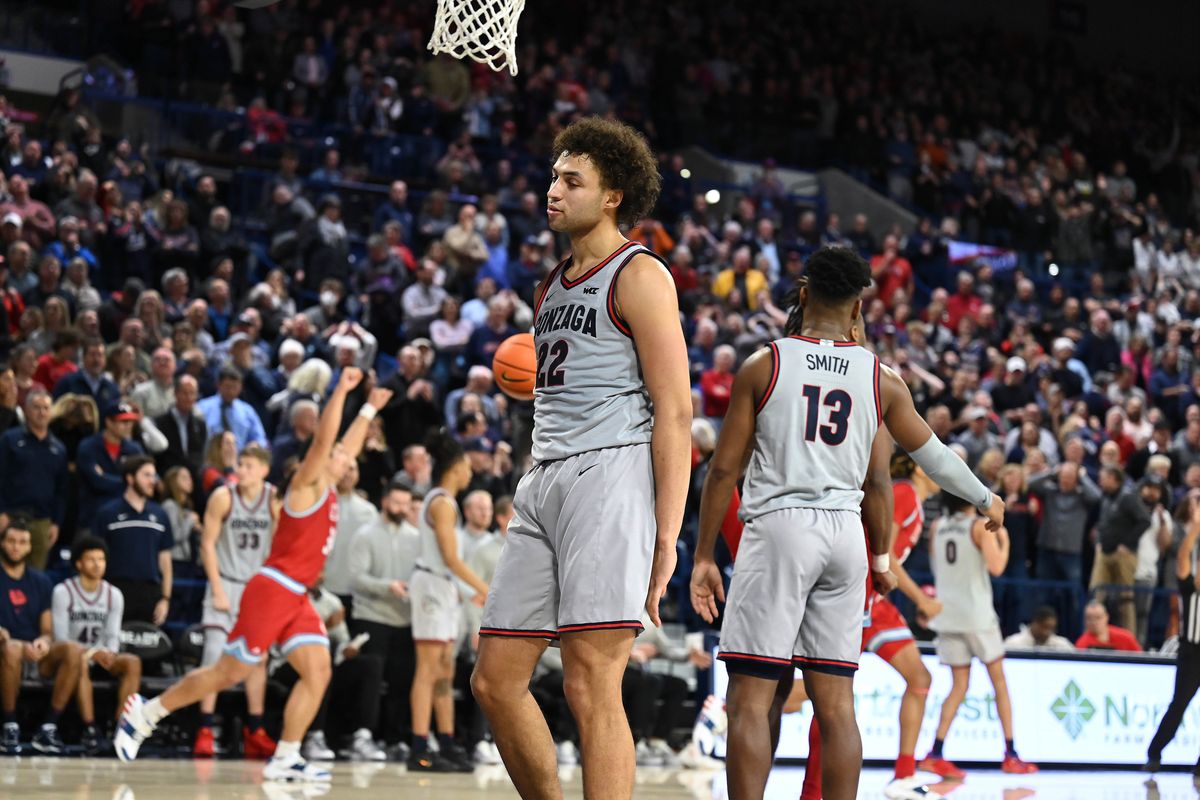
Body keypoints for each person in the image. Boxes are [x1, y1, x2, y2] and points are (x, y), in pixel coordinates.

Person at [689, 246, 1004, 800]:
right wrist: (985, 497)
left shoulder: (765, 363)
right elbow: (923, 462)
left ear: (804, 293)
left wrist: (704, 556)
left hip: (781, 529)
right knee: (836, 704)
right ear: (860, 305)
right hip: (845, 538)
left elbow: (722, 472)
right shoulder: (881, 377)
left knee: (751, 699)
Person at [471, 117, 692, 800]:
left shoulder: (640, 273)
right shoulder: (551, 285)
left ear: (613, 195)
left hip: (611, 475)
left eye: (573, 181)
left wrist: (665, 532)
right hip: (544, 478)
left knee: (592, 681)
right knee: (495, 678)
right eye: (554, 177)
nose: (553, 190)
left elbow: (676, 411)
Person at [115, 368, 393, 784]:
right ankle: (146, 713)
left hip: (296, 596)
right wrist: (343, 390)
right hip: (273, 588)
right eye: (335, 454)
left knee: (318, 671)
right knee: (229, 672)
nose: (343, 455)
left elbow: (346, 445)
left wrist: (370, 408)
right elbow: (325, 441)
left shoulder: (330, 486)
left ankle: (286, 756)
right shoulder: (304, 486)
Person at [798, 448, 947, 800]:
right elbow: (887, 556)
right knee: (822, 692)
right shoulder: (905, 493)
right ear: (917, 468)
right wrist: (921, 600)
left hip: (877, 602)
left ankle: (904, 776)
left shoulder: (914, 499)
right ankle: (729, 711)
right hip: (858, 595)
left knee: (919, 678)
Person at [922, 491, 1036, 777]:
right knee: (999, 682)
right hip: (976, 616)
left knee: (958, 686)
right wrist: (1004, 541)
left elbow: (936, 565)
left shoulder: (936, 527)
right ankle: (1010, 754)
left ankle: (935, 752)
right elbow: (997, 567)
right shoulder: (977, 527)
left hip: (946, 615)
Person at [407, 433, 489, 772]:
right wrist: (485, 587)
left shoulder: (446, 502)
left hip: (443, 587)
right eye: (467, 465)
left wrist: (467, 590)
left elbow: (450, 565)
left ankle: (447, 742)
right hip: (430, 587)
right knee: (428, 670)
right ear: (455, 467)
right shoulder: (441, 503)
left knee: (445, 669)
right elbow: (451, 558)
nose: (471, 471)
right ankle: (419, 747)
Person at [193, 445, 278, 759]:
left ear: (265, 470)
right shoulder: (223, 497)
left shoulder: (273, 499)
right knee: (214, 656)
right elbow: (207, 544)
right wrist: (216, 589)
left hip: (258, 587)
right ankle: (204, 728)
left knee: (259, 660)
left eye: (250, 465)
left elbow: (282, 544)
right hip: (226, 581)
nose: (242, 469)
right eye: (240, 463)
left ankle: (255, 729)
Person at [347, 482, 420, 760]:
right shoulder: (364, 535)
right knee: (372, 678)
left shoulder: (415, 538)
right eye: (397, 503)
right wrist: (387, 586)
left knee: (401, 682)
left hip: (404, 620)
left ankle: (395, 738)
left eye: (406, 503)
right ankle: (363, 735)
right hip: (371, 617)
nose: (402, 509)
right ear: (385, 501)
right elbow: (356, 579)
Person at [0, 516, 84, 755]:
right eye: (12, 541)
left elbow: (47, 630)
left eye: (22, 542)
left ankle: (48, 728)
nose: (16, 546)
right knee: (12, 648)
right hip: (5, 651)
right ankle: (9, 725)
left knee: (73, 650)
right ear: (3, 543)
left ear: (29, 547)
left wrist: (44, 642)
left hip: (33, 654)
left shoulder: (41, 581)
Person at [51, 536, 142, 755]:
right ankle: (90, 728)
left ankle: (120, 728)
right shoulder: (63, 592)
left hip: (100, 656)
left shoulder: (114, 595)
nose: (97, 564)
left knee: (132, 662)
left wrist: (110, 653)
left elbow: (113, 636)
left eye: (101, 559)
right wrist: (92, 654)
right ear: (78, 564)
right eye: (91, 559)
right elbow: (61, 638)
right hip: (72, 658)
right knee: (79, 660)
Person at [1145, 497, 1200, 774]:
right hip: (1192, 652)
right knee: (1179, 705)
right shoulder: (1190, 588)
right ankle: (1154, 753)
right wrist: (1196, 528)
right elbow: (1182, 557)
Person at [94, 456, 173, 625]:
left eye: (154, 476)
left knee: (151, 649)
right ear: (130, 478)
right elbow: (96, 556)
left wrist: (165, 598)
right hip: (115, 590)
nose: (152, 481)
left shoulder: (160, 515)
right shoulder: (107, 513)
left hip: (150, 592)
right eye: (146, 475)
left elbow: (165, 561)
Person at [0, 389, 68, 569]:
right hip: (10, 516)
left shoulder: (58, 448)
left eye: (46, 408)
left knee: (36, 573)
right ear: (27, 410)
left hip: (42, 521)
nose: (42, 412)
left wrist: (56, 523)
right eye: (36, 407)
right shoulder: (10, 439)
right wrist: (2, 512)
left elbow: (61, 490)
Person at [1075, 599, 1142, 652]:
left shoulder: (1126, 637)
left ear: (1106, 617)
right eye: (1089, 618)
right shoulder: (1082, 644)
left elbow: (1140, 658)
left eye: (1098, 617)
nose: (1093, 622)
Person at [1004, 606, 1075, 651]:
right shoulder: (1013, 643)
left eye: (1052, 629)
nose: (1048, 633)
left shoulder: (1063, 645)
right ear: (1035, 624)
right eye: (1045, 627)